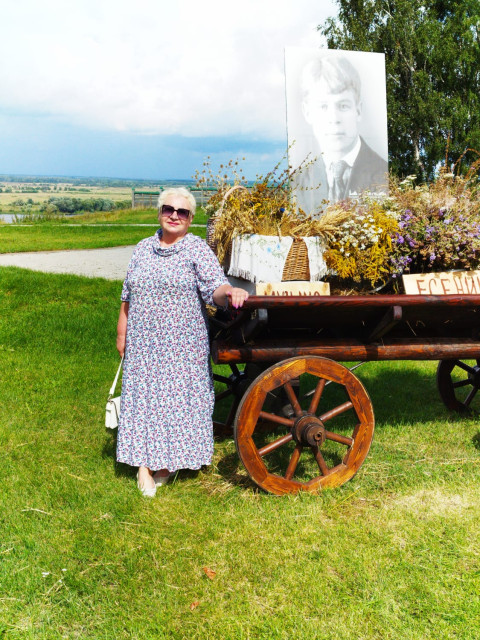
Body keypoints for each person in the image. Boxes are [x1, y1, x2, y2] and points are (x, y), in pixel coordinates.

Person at [115, 186, 249, 496]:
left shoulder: (197, 249)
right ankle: (143, 467)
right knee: (144, 402)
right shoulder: (142, 248)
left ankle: (169, 461)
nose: (174, 216)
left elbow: (214, 287)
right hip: (144, 342)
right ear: (159, 213)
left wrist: (230, 293)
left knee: (177, 403)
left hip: (182, 345)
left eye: (182, 212)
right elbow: (127, 297)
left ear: (190, 219)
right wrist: (122, 333)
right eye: (168, 210)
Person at [292, 55, 388, 217]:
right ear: (307, 112)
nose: (334, 119)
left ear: (358, 110)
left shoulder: (382, 174)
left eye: (343, 106)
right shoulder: (298, 182)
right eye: (323, 106)